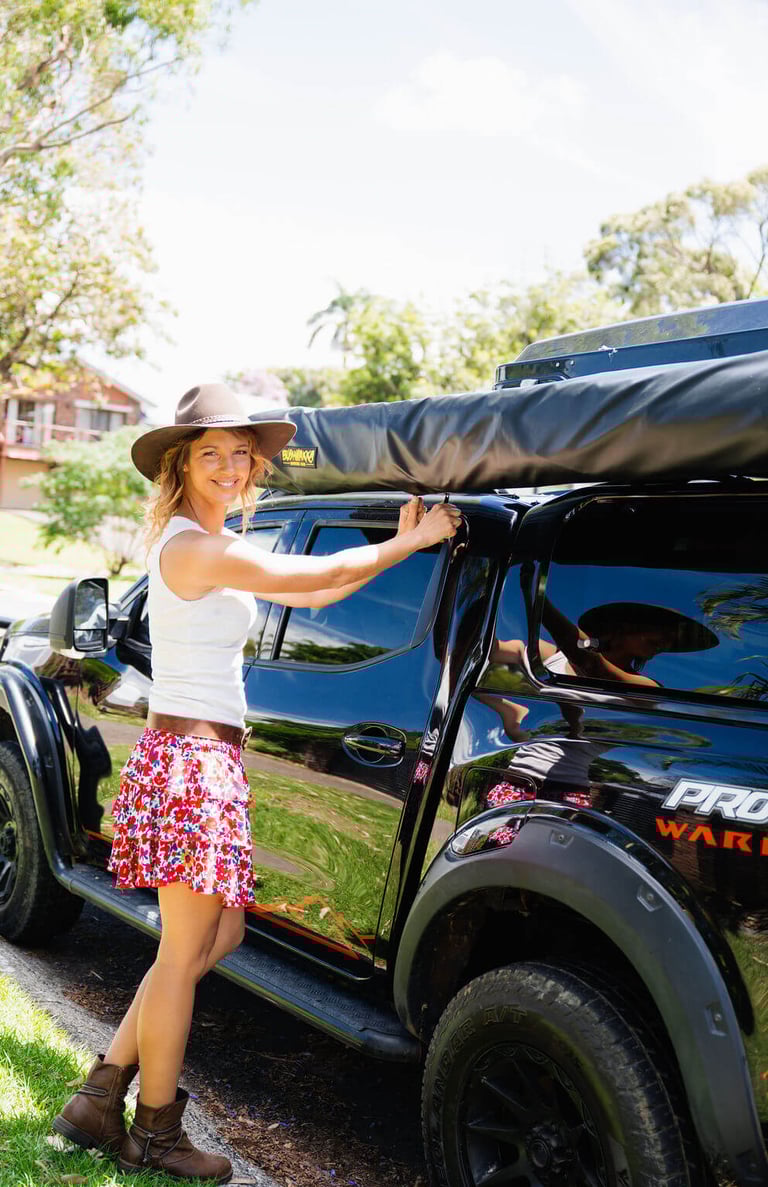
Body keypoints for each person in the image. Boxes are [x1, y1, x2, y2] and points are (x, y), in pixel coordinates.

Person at [53, 383, 460, 1183]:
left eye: (242, 454)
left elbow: (316, 584)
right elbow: (304, 575)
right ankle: (156, 1131)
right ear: (180, 461)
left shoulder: (211, 542)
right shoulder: (193, 546)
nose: (232, 466)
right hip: (191, 761)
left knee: (219, 937)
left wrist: (395, 544)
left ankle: (100, 1094)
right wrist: (410, 546)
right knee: (180, 953)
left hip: (208, 761)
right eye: (213, 453)